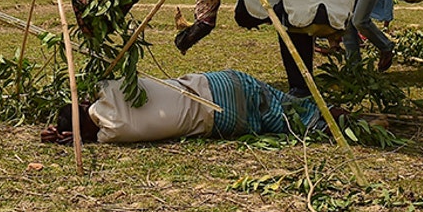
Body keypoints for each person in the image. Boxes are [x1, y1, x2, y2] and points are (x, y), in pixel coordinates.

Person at [41, 70, 323, 144]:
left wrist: (71, 137)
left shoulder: (112, 135)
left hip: (224, 122)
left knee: (283, 122)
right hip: (217, 85)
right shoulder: (111, 88)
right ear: (84, 102)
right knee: (287, 106)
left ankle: (320, 121)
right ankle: (327, 116)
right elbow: (102, 81)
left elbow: (93, 131)